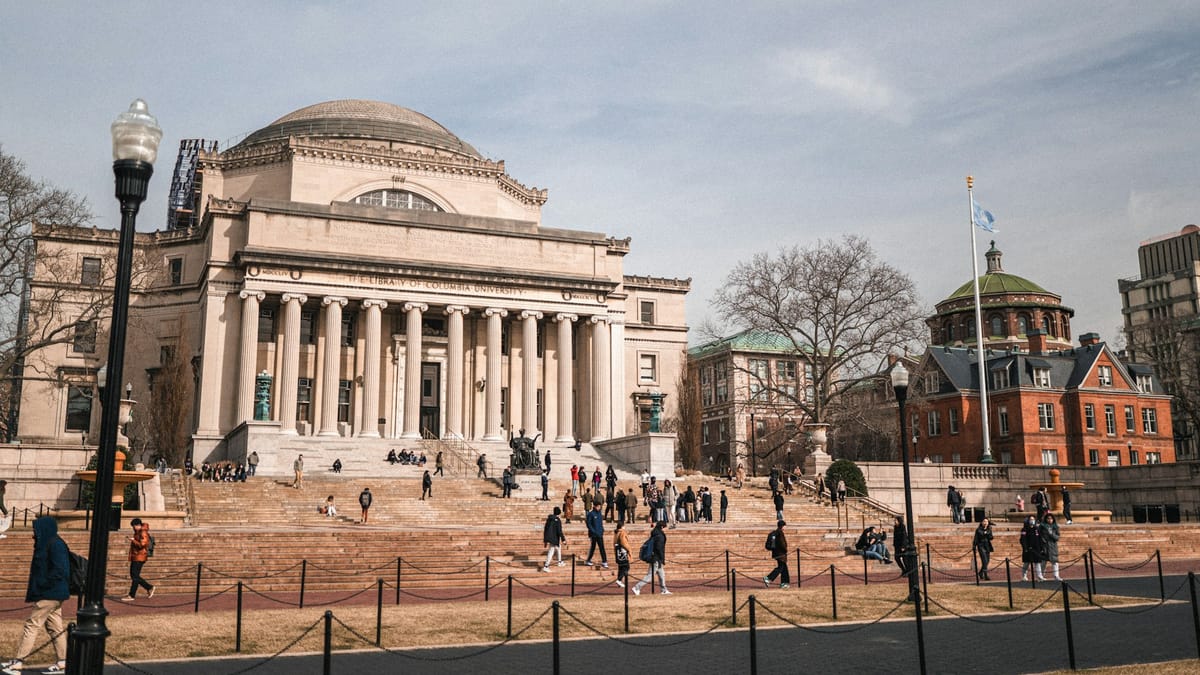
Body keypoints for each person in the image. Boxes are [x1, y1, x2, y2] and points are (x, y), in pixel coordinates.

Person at [2, 516, 69, 674]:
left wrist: (43, 586)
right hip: (52, 592)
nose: (34, 533)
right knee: (55, 627)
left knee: (31, 626)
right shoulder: (47, 543)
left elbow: (59, 570)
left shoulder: (55, 544)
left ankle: (18, 662)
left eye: (36, 530)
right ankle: (63, 661)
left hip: (50, 593)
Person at [119, 517, 156, 602]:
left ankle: (133, 594)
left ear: (138, 525)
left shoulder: (143, 532)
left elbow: (143, 544)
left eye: (134, 526)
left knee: (135, 576)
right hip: (136, 556)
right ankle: (148, 587)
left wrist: (133, 540)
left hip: (140, 556)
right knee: (134, 575)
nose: (133, 528)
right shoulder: (138, 532)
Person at [632, 520, 669, 595]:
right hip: (656, 558)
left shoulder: (655, 534)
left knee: (662, 574)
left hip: (655, 558)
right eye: (665, 527)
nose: (666, 529)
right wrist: (662, 559)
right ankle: (637, 587)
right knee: (650, 576)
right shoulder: (660, 536)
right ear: (662, 527)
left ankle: (664, 589)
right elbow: (659, 548)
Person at [763, 519, 790, 588]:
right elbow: (782, 544)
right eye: (784, 526)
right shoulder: (780, 533)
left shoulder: (775, 533)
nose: (785, 528)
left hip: (777, 553)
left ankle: (784, 583)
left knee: (784, 568)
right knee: (780, 568)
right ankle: (768, 578)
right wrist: (785, 550)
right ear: (782, 526)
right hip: (781, 554)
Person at [1020, 515, 1045, 582]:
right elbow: (1023, 539)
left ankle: (1039, 576)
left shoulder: (1036, 529)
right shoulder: (1025, 529)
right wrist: (1025, 548)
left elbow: (1040, 539)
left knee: (1037, 563)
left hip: (1036, 549)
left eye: (1033, 519)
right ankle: (1024, 576)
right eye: (1031, 519)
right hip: (1028, 549)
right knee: (1026, 563)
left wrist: (1041, 547)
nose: (1032, 521)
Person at [584, 501, 609, 568]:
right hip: (593, 535)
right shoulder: (591, 514)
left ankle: (604, 561)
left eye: (600, 506)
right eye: (598, 506)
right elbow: (588, 524)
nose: (599, 507)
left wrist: (602, 530)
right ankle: (588, 560)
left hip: (600, 534)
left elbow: (600, 523)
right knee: (593, 547)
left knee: (602, 548)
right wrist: (593, 531)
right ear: (594, 506)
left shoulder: (599, 514)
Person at [541, 507, 566, 571]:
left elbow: (545, 529)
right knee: (551, 551)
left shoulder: (549, 519)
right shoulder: (557, 520)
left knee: (558, 548)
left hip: (550, 537)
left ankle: (559, 561)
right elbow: (559, 531)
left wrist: (545, 540)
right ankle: (546, 566)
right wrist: (563, 539)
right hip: (554, 538)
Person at [1040, 513, 1062, 581]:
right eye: (1048, 518)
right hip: (1044, 546)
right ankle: (1041, 576)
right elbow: (1040, 536)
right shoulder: (1042, 527)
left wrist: (1051, 534)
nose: (1050, 520)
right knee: (1043, 562)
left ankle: (1056, 576)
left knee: (1055, 562)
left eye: (1051, 518)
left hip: (1053, 546)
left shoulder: (1055, 527)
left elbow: (1057, 537)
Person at [613, 521, 632, 588]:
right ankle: (619, 579)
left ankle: (619, 581)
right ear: (622, 526)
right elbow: (624, 543)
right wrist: (629, 550)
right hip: (623, 552)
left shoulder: (616, 533)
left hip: (618, 552)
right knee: (626, 567)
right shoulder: (622, 533)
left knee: (620, 567)